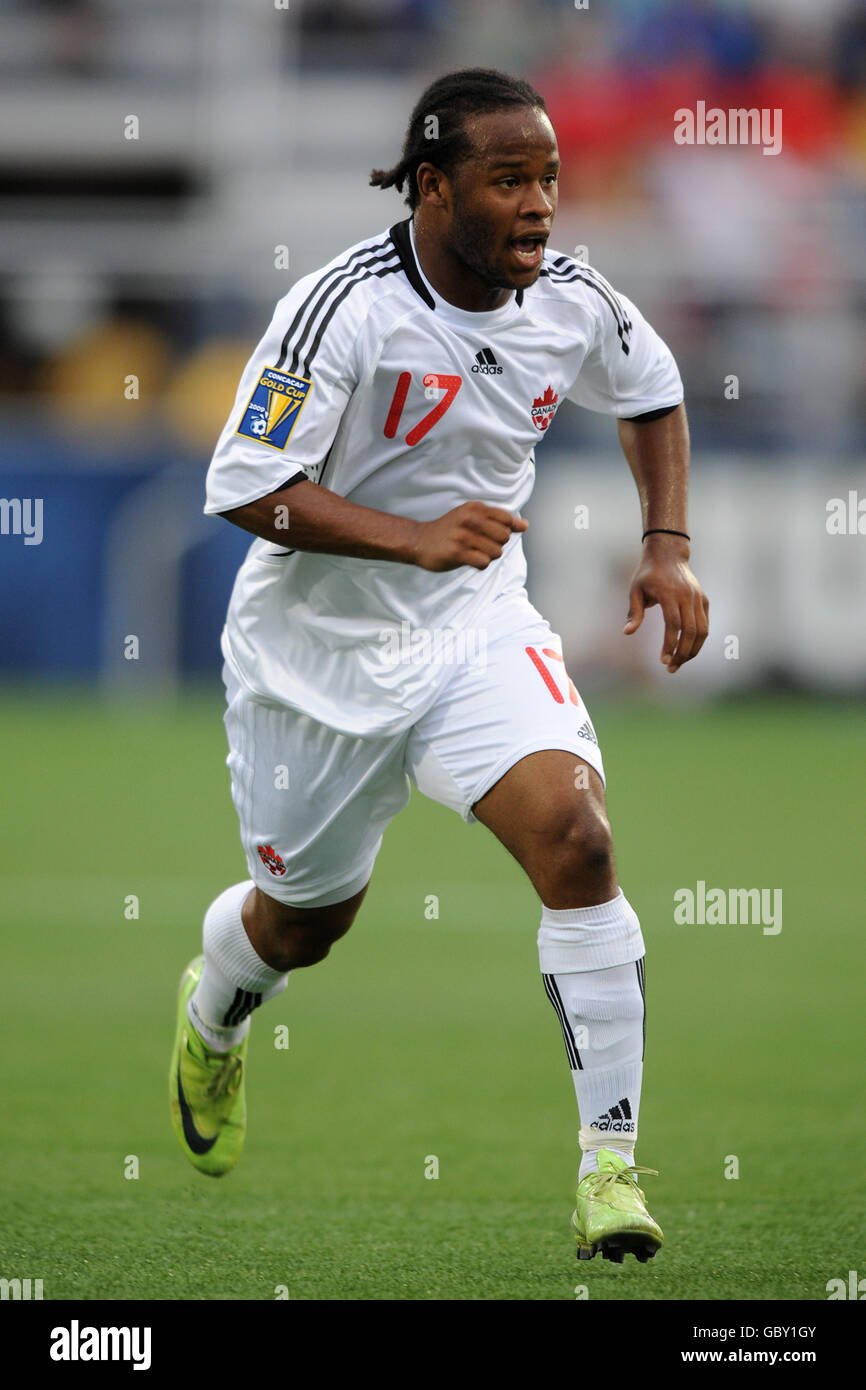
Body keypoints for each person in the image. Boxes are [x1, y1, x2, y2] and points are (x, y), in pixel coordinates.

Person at [169, 67, 709, 1266]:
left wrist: (665, 546)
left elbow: (654, 390)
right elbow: (243, 484)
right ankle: (215, 1010)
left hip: (473, 627)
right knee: (307, 921)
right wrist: (409, 534)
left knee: (578, 839)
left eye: (549, 180)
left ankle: (606, 1167)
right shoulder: (340, 308)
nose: (538, 206)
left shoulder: (568, 299)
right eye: (507, 179)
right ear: (430, 187)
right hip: (313, 657)